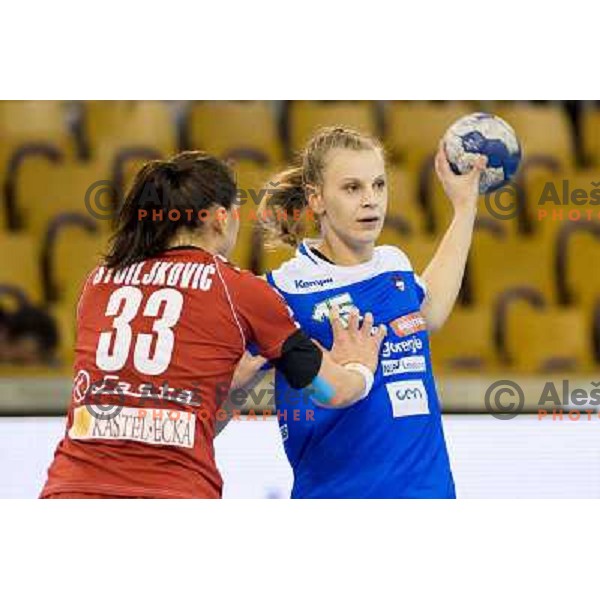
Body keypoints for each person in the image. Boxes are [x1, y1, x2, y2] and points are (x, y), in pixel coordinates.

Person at [40, 150, 386, 499]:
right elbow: (333, 391)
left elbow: (150, 417)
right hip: (173, 493)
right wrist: (360, 365)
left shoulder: (99, 281)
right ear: (220, 218)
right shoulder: (240, 290)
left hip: (68, 488)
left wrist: (229, 389)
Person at [257, 126, 486, 498]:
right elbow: (230, 382)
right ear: (316, 198)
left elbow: (432, 314)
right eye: (353, 188)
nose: (371, 200)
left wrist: (464, 208)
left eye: (379, 185)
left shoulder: (393, 265)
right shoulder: (283, 289)